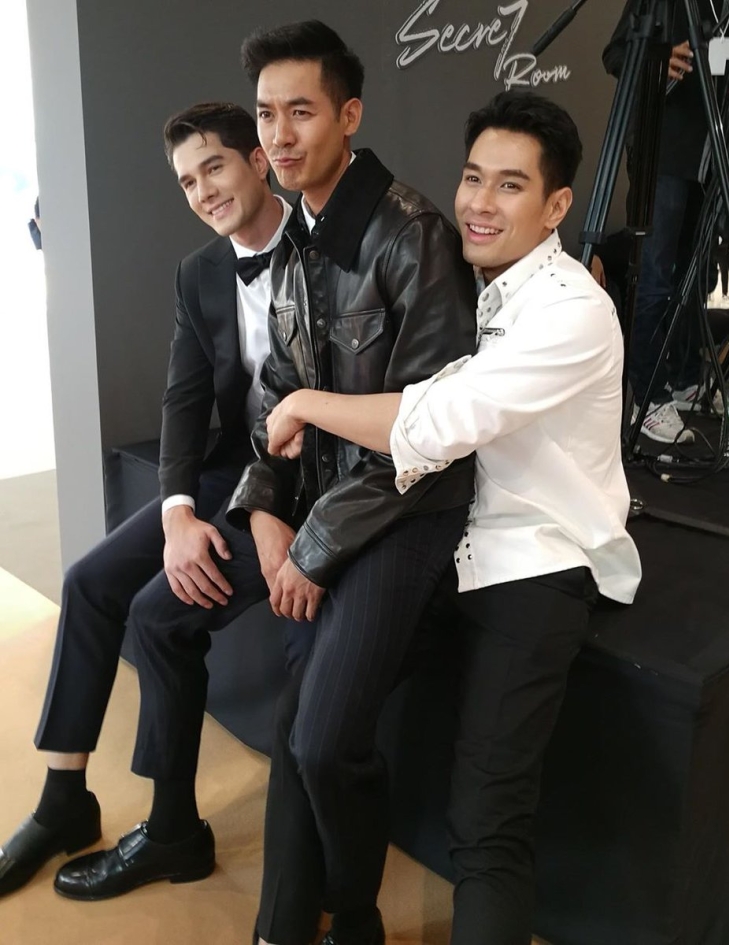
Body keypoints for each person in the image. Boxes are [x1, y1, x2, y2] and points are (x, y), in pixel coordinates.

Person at [265, 90, 643, 945]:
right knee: (309, 720)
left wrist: (306, 404)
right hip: (444, 534)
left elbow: (436, 421)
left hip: (536, 559)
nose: (480, 202)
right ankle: (302, 923)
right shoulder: (475, 286)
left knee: (485, 824)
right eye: (474, 177)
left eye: (511, 185)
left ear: (556, 206)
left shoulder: (572, 310)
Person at [0, 102, 314, 900]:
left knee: (158, 610)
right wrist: (177, 510)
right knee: (87, 581)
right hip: (229, 468)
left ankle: (174, 829)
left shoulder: (326, 248)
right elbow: (183, 398)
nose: (203, 191)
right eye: (186, 181)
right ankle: (64, 800)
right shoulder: (199, 271)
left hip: (309, 484)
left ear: (258, 160)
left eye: (214, 167)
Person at [225, 20, 478, 945]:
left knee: (323, 739)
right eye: (267, 115)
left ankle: (356, 914)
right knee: (299, 725)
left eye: (301, 111)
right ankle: (287, 928)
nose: (279, 135)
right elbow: (278, 396)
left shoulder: (413, 234)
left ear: (350, 115)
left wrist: (317, 548)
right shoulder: (297, 234)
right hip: (330, 509)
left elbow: (424, 434)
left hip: (409, 511)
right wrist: (262, 508)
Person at [604, 1, 719, 444]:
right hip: (662, 150)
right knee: (655, 276)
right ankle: (649, 395)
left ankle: (685, 378)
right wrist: (656, 58)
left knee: (695, 276)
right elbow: (614, 54)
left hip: (710, 155)